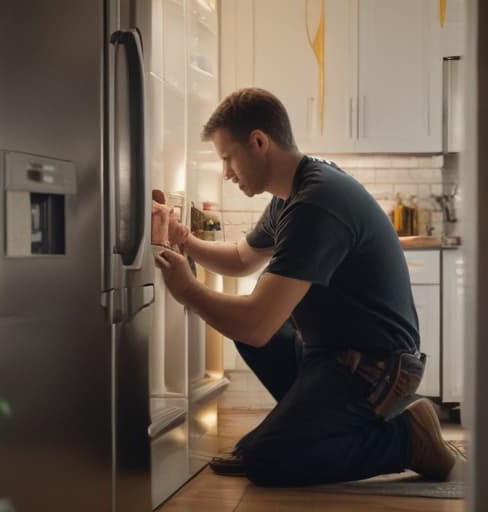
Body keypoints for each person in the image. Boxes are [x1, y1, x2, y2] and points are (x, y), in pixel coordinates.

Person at [153, 87, 459, 486]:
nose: (226, 172)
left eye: (228, 158)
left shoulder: (316, 202)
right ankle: (305, 424)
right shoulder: (291, 193)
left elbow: (256, 323)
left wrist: (187, 289)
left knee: (266, 460)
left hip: (377, 371)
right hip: (334, 355)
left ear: (259, 142)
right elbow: (243, 259)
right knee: (250, 339)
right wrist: (185, 241)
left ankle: (408, 440)